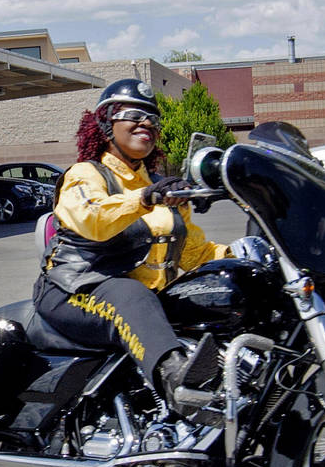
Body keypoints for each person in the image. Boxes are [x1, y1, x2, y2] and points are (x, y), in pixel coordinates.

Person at [33, 78, 230, 405]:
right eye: (134, 114)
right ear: (106, 123)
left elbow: (195, 253)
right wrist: (145, 198)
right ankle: (177, 383)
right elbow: (93, 219)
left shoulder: (158, 185)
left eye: (152, 118)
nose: (146, 123)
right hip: (71, 290)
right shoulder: (86, 174)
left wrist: (245, 257)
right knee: (130, 294)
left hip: (147, 296)